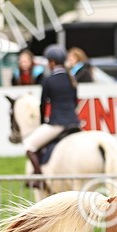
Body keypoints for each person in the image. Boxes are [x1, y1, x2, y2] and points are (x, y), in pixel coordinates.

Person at [23, 45, 81, 175]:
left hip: (57, 123)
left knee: (29, 145)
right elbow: (75, 102)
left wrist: (43, 121)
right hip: (74, 122)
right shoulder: (71, 79)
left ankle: (38, 176)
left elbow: (43, 104)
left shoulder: (48, 80)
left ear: (52, 62)